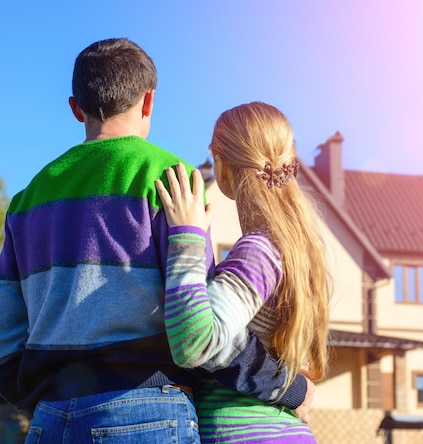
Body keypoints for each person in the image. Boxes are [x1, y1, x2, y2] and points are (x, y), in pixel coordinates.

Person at [0, 39, 312, 443]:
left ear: (76, 108)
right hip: (147, 407)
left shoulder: (26, 201)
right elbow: (202, 332)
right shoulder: (173, 179)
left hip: (50, 418)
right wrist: (288, 387)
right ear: (148, 101)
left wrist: (43, 397)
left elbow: (5, 339)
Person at [155, 101, 331, 443]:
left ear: (221, 167)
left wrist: (187, 238)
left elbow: (196, 341)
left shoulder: (260, 249)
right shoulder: (293, 247)